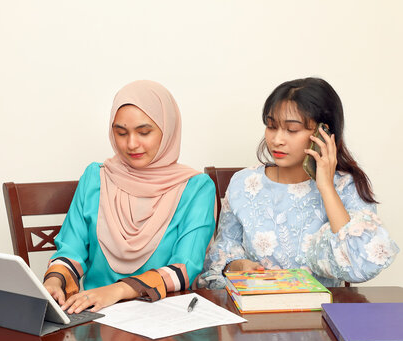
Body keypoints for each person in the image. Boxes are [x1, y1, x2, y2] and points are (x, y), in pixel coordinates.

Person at [199, 77, 398, 289]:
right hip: (255, 314)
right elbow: (220, 255)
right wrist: (238, 266)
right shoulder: (244, 182)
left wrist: (326, 187)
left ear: (324, 132)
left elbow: (360, 265)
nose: (277, 140)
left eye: (292, 130)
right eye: (271, 126)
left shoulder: (346, 187)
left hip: (321, 315)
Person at [44, 80, 216, 313]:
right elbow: (71, 248)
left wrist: (116, 291)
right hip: (95, 316)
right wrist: (55, 280)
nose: (131, 144)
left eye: (144, 132)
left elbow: (186, 266)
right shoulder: (96, 177)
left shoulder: (196, 188)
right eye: (121, 132)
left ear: (168, 130)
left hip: (166, 319)